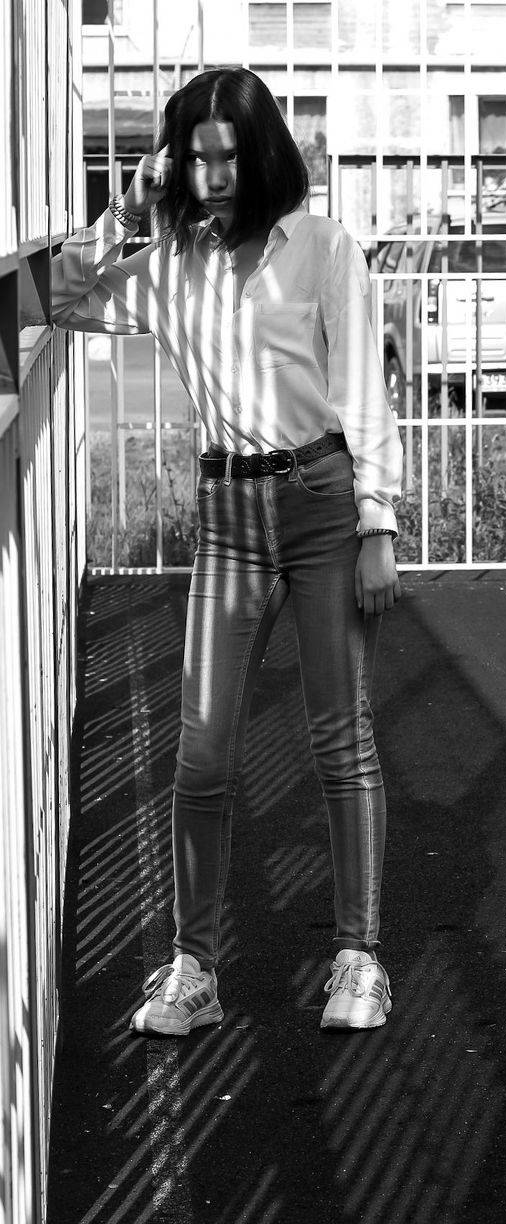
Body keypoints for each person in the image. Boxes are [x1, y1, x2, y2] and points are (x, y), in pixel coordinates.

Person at [52, 67, 403, 1032]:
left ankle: (359, 958)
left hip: (324, 502)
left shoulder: (322, 247)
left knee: (340, 738)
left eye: (229, 156)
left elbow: (362, 388)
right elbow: (64, 301)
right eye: (196, 158)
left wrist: (379, 523)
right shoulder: (169, 264)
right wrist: (127, 207)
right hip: (229, 517)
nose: (213, 175)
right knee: (202, 753)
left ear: (263, 154)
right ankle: (194, 969)